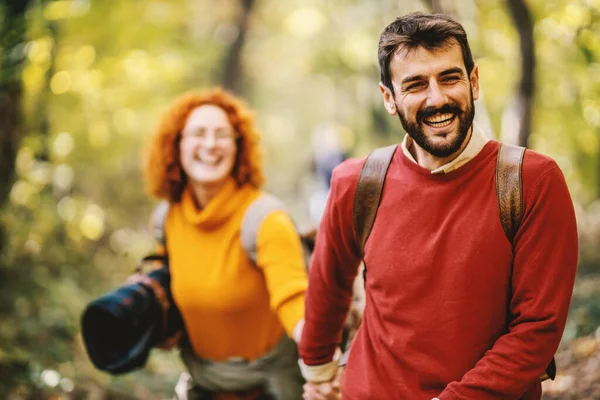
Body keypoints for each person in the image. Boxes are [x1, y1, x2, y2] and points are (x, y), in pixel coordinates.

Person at [298, 12, 578, 400]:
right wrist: (317, 370)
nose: (437, 98)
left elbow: (537, 329)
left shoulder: (533, 180)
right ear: (389, 99)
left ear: (474, 81)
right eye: (415, 85)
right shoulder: (356, 183)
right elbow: (328, 285)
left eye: (449, 78)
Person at [143, 88, 307, 400]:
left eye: (222, 134)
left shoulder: (265, 218)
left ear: (238, 147)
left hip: (269, 389)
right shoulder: (167, 218)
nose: (209, 144)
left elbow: (294, 300)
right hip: (203, 385)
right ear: (176, 145)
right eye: (198, 133)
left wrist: (321, 360)